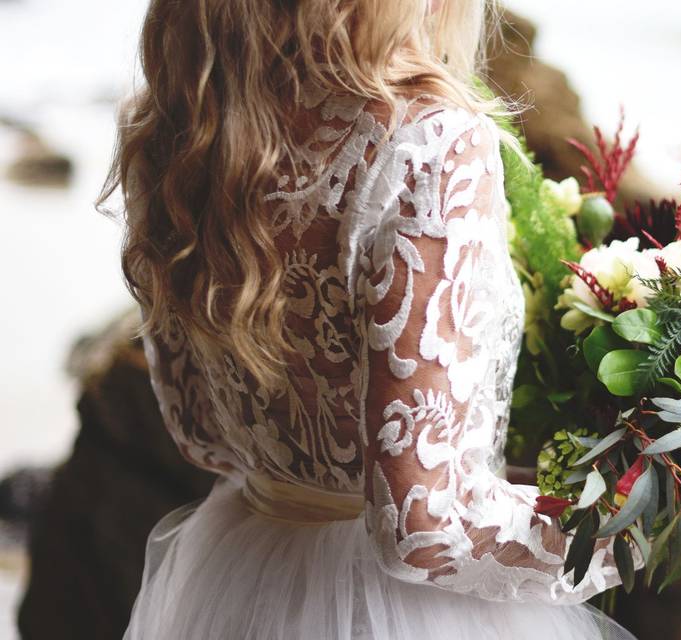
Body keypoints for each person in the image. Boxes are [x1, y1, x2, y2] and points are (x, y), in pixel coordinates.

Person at [99, 1, 637, 638]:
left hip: (243, 576)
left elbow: (200, 435)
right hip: (409, 614)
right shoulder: (429, 141)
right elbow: (426, 527)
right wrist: (623, 527)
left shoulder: (174, 127)